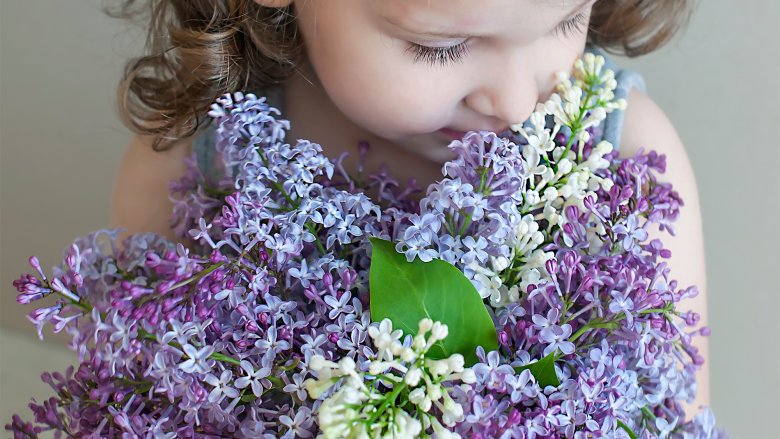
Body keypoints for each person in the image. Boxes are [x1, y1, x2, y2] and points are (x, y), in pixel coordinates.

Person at [108, 0, 709, 416]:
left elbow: (679, 409)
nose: (520, 103)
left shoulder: (628, 167)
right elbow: (135, 390)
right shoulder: (190, 171)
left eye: (568, 20)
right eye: (440, 47)